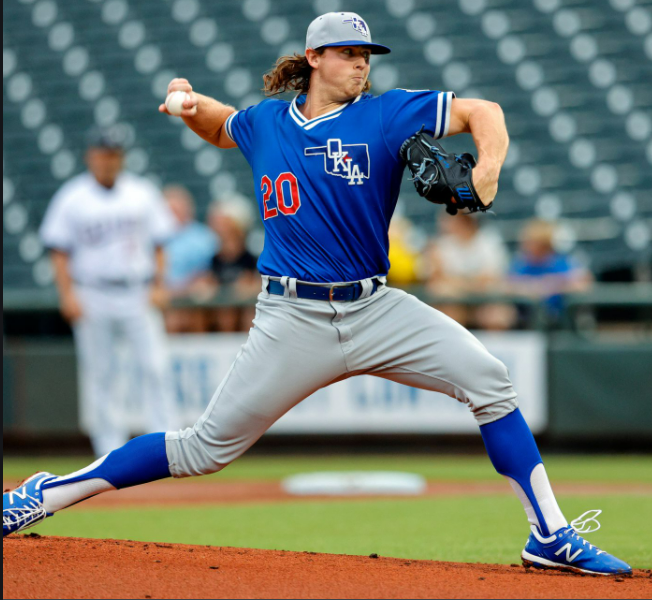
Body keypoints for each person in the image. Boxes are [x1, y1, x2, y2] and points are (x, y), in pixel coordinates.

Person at [4, 13, 630, 576]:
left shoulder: (385, 113)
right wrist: (190, 104)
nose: (361, 62)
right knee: (202, 450)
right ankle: (44, 493)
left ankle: (549, 534)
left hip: (376, 306)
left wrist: (487, 168)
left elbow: (484, 111)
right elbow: (225, 126)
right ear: (314, 59)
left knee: (491, 382)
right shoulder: (270, 122)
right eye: (348, 52)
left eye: (366, 55)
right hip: (291, 316)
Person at [36, 128, 178, 457]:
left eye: (113, 153)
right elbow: (58, 251)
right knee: (101, 373)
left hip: (137, 290)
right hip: (92, 292)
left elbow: (160, 244)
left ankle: (164, 445)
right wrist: (67, 294)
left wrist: (159, 285)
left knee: (155, 366)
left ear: (121, 157)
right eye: (102, 153)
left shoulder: (141, 192)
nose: (107, 159)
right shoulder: (72, 196)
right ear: (91, 156)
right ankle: (108, 451)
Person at [425, 213, 516, 330]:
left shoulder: (488, 241)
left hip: (484, 300)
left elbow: (490, 278)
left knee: (498, 316)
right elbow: (436, 281)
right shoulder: (443, 245)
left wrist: (458, 284)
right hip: (456, 302)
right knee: (447, 311)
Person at [509, 220, 593, 324]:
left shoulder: (560, 263)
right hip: (525, 320)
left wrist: (553, 285)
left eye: (533, 243)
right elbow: (505, 285)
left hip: (559, 320)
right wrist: (531, 288)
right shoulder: (520, 264)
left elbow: (584, 283)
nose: (527, 247)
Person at [163, 185, 218, 333]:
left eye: (176, 210)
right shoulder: (156, 238)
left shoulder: (204, 237)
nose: (172, 215)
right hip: (165, 294)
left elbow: (211, 270)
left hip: (192, 295)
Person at [206, 194, 260, 332]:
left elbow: (253, 286)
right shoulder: (214, 260)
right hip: (223, 312)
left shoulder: (249, 258)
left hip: (242, 313)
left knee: (247, 313)